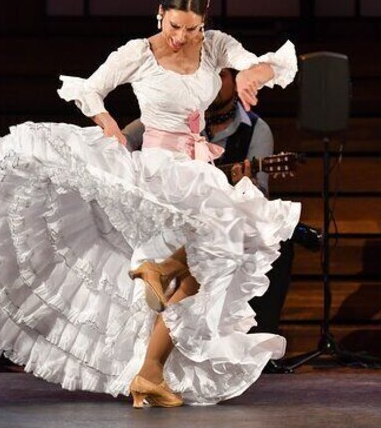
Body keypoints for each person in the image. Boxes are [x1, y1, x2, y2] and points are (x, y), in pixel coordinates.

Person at [0, 0, 300, 407]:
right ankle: (162, 277)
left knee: (214, 263)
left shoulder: (215, 45)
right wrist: (105, 120)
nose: (182, 37)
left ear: (204, 24)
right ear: (160, 13)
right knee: (222, 242)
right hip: (163, 169)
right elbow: (88, 87)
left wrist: (250, 76)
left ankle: (150, 369)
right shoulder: (138, 52)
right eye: (174, 26)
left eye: (192, 28)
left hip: (198, 169)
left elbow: (266, 63)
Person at [123, 67, 295, 340]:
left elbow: (258, 197)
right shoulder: (174, 115)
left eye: (222, 75)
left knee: (276, 242)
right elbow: (122, 142)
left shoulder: (256, 130)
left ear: (235, 79)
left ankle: (254, 338)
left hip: (220, 221)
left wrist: (243, 183)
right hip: (169, 213)